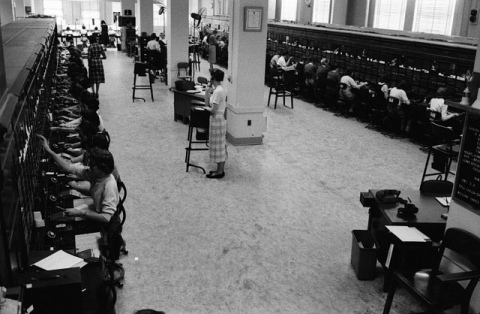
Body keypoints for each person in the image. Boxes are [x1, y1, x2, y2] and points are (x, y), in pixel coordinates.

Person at [37, 135, 119, 224]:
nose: (89, 167)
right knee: (63, 212)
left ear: (102, 168)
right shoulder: (94, 173)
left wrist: (81, 213)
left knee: (64, 221)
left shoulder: (109, 185)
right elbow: (68, 167)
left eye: (92, 165)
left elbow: (106, 217)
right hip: (96, 208)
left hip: (104, 221)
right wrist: (49, 150)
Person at [204, 69, 227, 179]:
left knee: (219, 146)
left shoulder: (218, 91)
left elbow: (213, 110)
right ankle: (220, 169)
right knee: (219, 145)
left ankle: (219, 172)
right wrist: (206, 93)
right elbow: (208, 103)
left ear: (213, 78)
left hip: (217, 119)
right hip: (216, 120)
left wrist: (206, 108)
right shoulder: (218, 90)